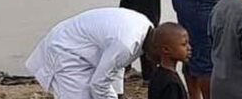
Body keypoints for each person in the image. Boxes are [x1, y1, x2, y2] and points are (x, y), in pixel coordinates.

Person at [26, 8, 156, 99]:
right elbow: (99, 84)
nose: (158, 63)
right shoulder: (127, 44)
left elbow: (116, 64)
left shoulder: (145, 29)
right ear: (161, 49)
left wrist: (118, 93)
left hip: (82, 52)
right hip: (66, 51)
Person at [148, 23, 191, 99]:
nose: (189, 48)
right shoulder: (171, 84)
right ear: (166, 49)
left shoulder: (157, 74)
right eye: (184, 44)